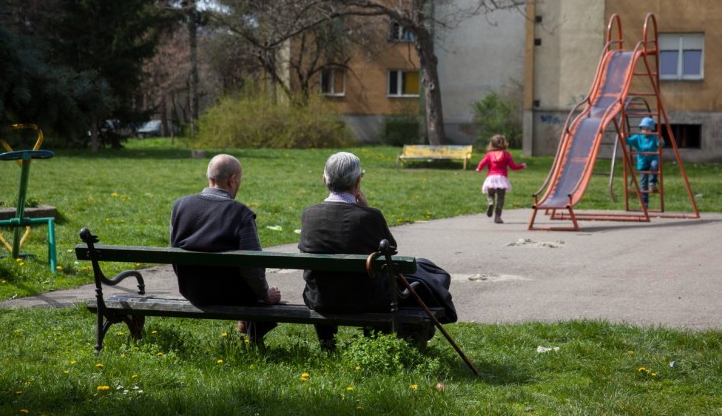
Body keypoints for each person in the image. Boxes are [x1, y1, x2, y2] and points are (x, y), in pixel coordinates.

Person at [299, 151, 456, 349]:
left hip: (321, 299)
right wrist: (367, 208)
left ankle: (327, 344)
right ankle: (381, 342)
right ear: (358, 181)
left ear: (324, 179)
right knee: (418, 274)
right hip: (367, 300)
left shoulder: (309, 214)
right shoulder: (369, 217)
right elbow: (390, 250)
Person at [170, 154, 281, 341]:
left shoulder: (180, 206)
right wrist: (265, 294)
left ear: (209, 177)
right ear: (233, 180)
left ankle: (246, 324)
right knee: (256, 292)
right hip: (231, 294)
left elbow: (175, 252)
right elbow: (252, 265)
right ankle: (254, 336)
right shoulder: (241, 214)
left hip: (192, 290)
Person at [476, 134, 527, 224]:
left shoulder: (489, 155)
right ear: (504, 144)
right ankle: (498, 217)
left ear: (491, 144)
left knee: (490, 194)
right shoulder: (507, 155)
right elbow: (513, 167)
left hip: (491, 178)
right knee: (501, 198)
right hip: (502, 179)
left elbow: (482, 162)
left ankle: (491, 202)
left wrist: (479, 168)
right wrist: (522, 166)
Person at [626, 116, 664, 207]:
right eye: (643, 129)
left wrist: (661, 142)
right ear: (641, 129)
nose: (645, 131)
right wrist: (623, 136)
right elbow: (628, 141)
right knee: (643, 183)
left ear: (652, 129)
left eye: (648, 129)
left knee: (655, 164)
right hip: (643, 161)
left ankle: (653, 182)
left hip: (652, 158)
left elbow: (660, 144)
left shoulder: (654, 137)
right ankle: (645, 202)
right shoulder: (637, 137)